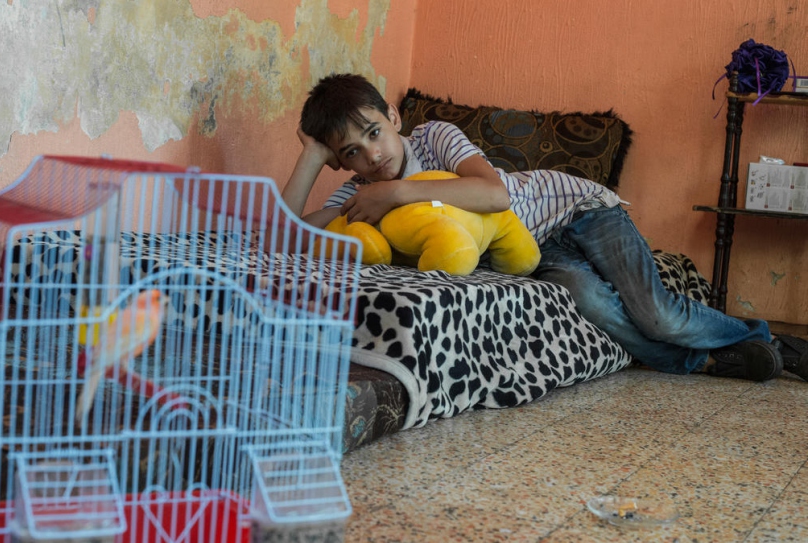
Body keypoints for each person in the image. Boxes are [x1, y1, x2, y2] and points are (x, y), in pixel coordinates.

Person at [282, 73, 808, 382]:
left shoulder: (434, 137)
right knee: (597, 305)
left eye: (374, 133)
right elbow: (287, 238)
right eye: (352, 151)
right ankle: (713, 358)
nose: (372, 155)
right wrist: (310, 156)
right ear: (341, 162)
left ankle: (768, 342)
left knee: (657, 313)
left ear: (394, 118)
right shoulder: (358, 193)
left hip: (578, 210)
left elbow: (494, 195)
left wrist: (398, 191)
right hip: (537, 253)